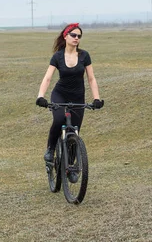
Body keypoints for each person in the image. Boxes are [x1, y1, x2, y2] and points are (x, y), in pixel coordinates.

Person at [36, 23, 104, 163]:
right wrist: (40, 96)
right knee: (59, 119)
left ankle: (71, 166)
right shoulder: (58, 56)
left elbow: (91, 79)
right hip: (60, 94)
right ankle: (50, 149)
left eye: (79, 36)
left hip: (78, 96)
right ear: (65, 36)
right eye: (73, 35)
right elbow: (48, 78)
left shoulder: (84, 55)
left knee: (74, 131)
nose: (76, 38)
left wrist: (96, 98)